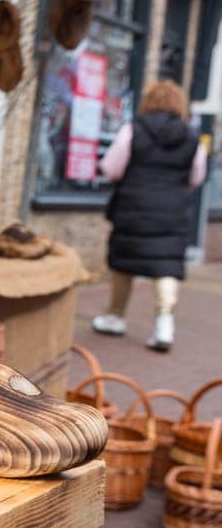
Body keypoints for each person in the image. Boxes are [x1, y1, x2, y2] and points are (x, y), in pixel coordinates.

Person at [92, 79, 207, 351]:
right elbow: (196, 177)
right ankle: (164, 325)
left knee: (124, 262)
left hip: (133, 206)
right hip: (172, 211)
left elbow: (111, 168)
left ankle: (115, 316)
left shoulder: (133, 130)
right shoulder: (193, 139)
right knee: (166, 265)